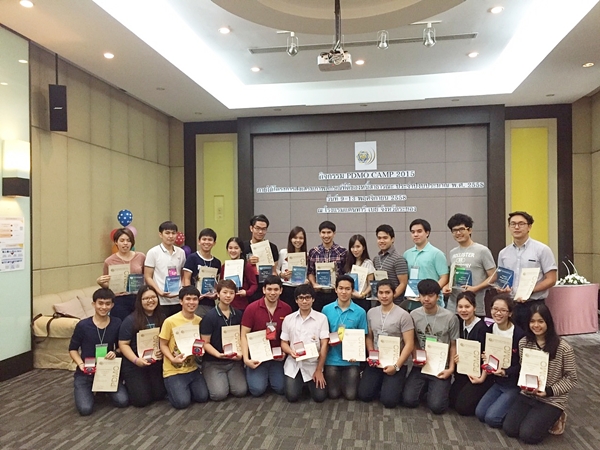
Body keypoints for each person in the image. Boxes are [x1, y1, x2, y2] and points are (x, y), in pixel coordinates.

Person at [503, 304, 578, 444]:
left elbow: (571, 378)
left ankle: (558, 417)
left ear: (548, 322)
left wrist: (548, 391)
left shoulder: (563, 348)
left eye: (540, 321)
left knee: (528, 436)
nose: (536, 325)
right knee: (510, 429)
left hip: (551, 398)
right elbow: (523, 368)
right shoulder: (524, 343)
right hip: (528, 393)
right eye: (532, 321)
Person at [68, 288, 128, 416]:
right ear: (93, 304)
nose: (104, 307)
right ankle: (90, 389)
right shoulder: (83, 325)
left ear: (112, 305)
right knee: (85, 409)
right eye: (100, 303)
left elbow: (122, 346)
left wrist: (115, 352)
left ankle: (102, 390)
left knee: (122, 401)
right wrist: (80, 364)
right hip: (86, 372)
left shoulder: (117, 323)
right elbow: (72, 349)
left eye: (107, 304)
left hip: (107, 371)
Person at [402, 279, 458, 414]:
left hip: (441, 366)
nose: (426, 299)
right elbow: (413, 340)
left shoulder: (450, 317)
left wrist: (451, 369)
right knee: (408, 400)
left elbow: (453, 345)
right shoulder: (413, 315)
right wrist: (415, 356)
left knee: (437, 407)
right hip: (421, 365)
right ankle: (428, 388)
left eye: (430, 295)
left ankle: (434, 389)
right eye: (423, 295)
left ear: (438, 296)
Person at [357, 279, 414, 408]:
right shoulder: (371, 312)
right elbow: (369, 337)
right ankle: (382, 383)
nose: (384, 296)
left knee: (389, 401)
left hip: (396, 361)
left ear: (394, 293)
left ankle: (395, 383)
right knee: (364, 395)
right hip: (377, 361)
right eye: (381, 292)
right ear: (376, 294)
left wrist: (397, 366)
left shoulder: (404, 315)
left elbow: (409, 344)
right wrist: (372, 355)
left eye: (387, 292)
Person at [497, 211, 557, 331]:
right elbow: (502, 279)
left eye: (521, 224)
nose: (517, 227)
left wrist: (529, 290)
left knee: (535, 338)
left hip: (534, 304)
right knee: (513, 338)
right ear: (509, 227)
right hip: (512, 305)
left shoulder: (542, 250)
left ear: (529, 227)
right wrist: (502, 289)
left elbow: (551, 279)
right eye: (513, 224)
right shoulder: (503, 253)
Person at [475, 294, 525, 428]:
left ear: (510, 313)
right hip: (497, 382)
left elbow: (523, 365)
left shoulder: (519, 335)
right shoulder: (490, 329)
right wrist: (485, 359)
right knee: (480, 413)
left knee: (492, 419)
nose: (498, 313)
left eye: (503, 310)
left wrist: (505, 371)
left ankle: (518, 409)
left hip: (513, 384)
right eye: (495, 309)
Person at [241, 275, 292, 397]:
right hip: (258, 356)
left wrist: (285, 353)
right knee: (257, 390)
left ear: (281, 290)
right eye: (269, 289)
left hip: (277, 357)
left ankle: (270, 377)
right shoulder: (251, 308)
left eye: (276, 289)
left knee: (281, 388)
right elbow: (243, 335)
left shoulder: (286, 309)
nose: (272, 293)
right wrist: (246, 359)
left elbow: (289, 335)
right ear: (263, 290)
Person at [158, 286, 209, 409]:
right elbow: (162, 344)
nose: (192, 302)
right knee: (182, 403)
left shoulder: (199, 321)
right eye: (188, 299)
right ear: (181, 301)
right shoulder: (170, 321)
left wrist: (200, 351)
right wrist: (172, 359)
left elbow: (200, 342)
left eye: (195, 299)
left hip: (192, 367)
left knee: (202, 397)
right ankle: (172, 390)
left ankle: (184, 389)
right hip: (174, 370)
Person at [118, 285, 167, 407]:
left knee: (159, 395)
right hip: (135, 363)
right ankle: (125, 383)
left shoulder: (162, 317)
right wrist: (136, 360)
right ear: (139, 301)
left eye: (153, 297)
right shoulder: (130, 320)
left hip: (154, 362)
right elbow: (123, 344)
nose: (150, 301)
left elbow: (165, 340)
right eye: (146, 298)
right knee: (141, 401)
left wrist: (162, 351)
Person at [321, 275, 368, 401]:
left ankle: (353, 377)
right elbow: (323, 335)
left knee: (350, 396)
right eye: (341, 288)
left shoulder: (360, 312)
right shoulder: (326, 309)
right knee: (333, 395)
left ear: (352, 291)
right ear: (335, 289)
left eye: (347, 289)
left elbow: (363, 336)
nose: (344, 292)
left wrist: (358, 355)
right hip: (332, 359)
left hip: (352, 360)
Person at [200, 279, 248, 401]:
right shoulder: (209, 317)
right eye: (225, 292)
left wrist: (241, 354)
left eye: (231, 293)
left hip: (233, 361)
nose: (228, 296)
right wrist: (218, 354)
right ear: (218, 294)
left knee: (241, 391)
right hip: (214, 362)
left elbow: (242, 337)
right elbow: (205, 343)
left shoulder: (238, 314)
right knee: (219, 394)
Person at [280, 284, 329, 403]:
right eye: (301, 298)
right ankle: (302, 384)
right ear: (296, 300)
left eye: (307, 297)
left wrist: (319, 369)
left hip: (313, 364)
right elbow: (284, 343)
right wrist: (290, 352)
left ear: (313, 299)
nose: (304, 301)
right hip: (294, 364)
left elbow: (324, 345)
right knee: (292, 397)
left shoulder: (321, 318)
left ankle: (307, 384)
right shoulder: (288, 319)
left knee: (320, 397)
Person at [442, 214, 496, 316]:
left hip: (474, 304)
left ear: (470, 230)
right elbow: (453, 276)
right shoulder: (453, 252)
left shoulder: (482, 250)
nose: (458, 233)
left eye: (461, 229)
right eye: (454, 230)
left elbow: (493, 276)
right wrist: (447, 286)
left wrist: (476, 288)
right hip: (454, 305)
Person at [448, 291, 492, 416]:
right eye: (460, 307)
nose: (463, 310)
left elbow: (488, 356)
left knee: (463, 408)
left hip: (479, 374)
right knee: (450, 402)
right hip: (463, 373)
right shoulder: (459, 323)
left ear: (475, 307)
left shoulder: (483, 328)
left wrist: (482, 377)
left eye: (467, 306)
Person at [96, 227, 146, 321]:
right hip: (119, 300)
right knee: (121, 326)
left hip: (138, 297)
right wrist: (101, 283)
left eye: (128, 240)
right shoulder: (109, 261)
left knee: (140, 324)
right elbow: (109, 286)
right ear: (116, 242)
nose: (125, 243)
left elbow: (146, 277)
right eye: (122, 240)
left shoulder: (141, 256)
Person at [402, 219, 449, 311]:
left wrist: (430, 292)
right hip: (412, 303)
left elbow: (444, 278)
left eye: (419, 231)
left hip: (432, 303)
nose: (415, 234)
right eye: (413, 232)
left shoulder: (437, 254)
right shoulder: (407, 254)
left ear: (427, 233)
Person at [144, 221, 187, 317]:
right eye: (167, 233)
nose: (170, 236)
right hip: (160, 300)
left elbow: (183, 274)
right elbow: (147, 276)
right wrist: (159, 292)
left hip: (177, 299)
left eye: (173, 233)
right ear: (160, 234)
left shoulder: (181, 252)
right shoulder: (153, 252)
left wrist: (182, 290)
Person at [307, 221, 348, 312]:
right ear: (319, 234)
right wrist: (314, 284)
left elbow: (345, 272)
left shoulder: (342, 252)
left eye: (329, 232)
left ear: (334, 233)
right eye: (323, 232)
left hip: (335, 293)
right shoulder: (313, 252)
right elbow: (310, 272)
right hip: (319, 294)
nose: (326, 235)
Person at [182, 228, 222, 318]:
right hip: (195, 303)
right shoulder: (192, 258)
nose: (206, 242)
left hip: (210, 303)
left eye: (210, 240)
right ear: (199, 241)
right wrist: (192, 296)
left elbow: (216, 282)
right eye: (204, 239)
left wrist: (215, 293)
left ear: (214, 243)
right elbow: (186, 279)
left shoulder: (217, 262)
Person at [243, 214, 279, 303]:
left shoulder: (272, 247)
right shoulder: (243, 246)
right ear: (251, 228)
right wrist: (248, 263)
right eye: (257, 228)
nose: (260, 232)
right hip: (248, 289)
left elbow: (274, 271)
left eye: (263, 229)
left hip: (266, 288)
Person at [372, 224, 408, 305]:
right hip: (380, 303)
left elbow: (403, 284)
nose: (381, 241)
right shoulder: (376, 259)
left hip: (395, 304)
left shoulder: (398, 259)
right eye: (379, 238)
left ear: (392, 239)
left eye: (385, 238)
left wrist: (390, 297)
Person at [219, 237, 258, 311]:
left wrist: (246, 292)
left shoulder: (247, 266)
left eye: (236, 248)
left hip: (241, 305)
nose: (233, 250)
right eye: (230, 248)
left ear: (241, 250)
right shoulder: (224, 266)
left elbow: (254, 284)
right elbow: (221, 284)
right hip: (226, 305)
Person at [278, 226, 308, 312]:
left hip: (301, 289)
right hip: (286, 288)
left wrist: (307, 280)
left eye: (301, 238)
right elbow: (276, 269)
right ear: (290, 239)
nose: (298, 240)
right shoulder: (283, 252)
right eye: (295, 237)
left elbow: (308, 273)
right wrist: (282, 274)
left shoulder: (307, 255)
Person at [343, 234, 375, 312]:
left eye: (358, 247)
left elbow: (371, 284)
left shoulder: (368, 263)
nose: (355, 250)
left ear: (363, 247)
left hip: (362, 300)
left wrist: (362, 294)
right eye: (352, 247)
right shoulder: (348, 263)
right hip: (349, 300)